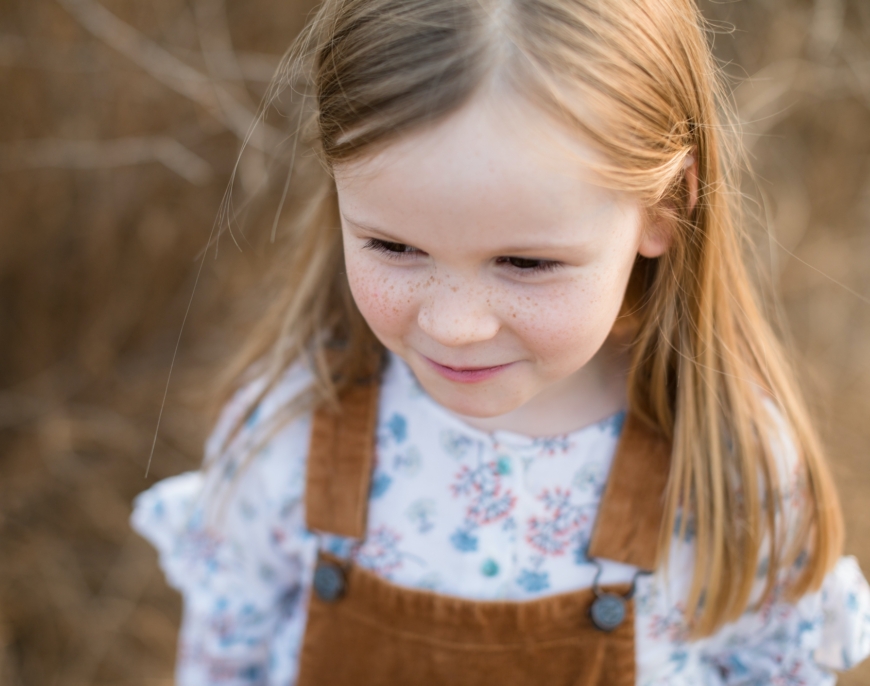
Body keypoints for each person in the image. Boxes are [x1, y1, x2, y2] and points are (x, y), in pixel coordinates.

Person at [131, 0, 870, 683]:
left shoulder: (730, 476)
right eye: (394, 247)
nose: (455, 325)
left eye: (525, 263)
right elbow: (223, 661)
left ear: (666, 207)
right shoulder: (289, 429)